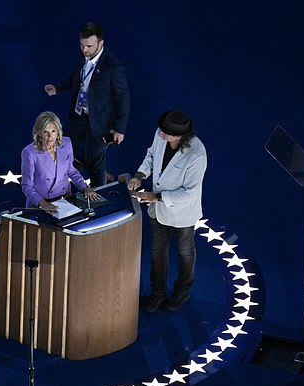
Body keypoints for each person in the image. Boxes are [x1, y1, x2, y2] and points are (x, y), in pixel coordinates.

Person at [127, 110, 207, 312]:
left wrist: (156, 197)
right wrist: (139, 175)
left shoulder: (197, 155)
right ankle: (157, 294)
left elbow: (189, 193)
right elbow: (151, 156)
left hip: (183, 214)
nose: (160, 134)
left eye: (165, 133)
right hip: (159, 212)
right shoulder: (161, 134)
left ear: (179, 136)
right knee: (157, 253)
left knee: (185, 252)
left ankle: (182, 292)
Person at [44, 22, 130, 187]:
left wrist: (120, 128)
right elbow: (76, 77)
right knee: (67, 150)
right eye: (82, 45)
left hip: (100, 123)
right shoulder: (84, 56)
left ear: (101, 43)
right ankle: (63, 189)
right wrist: (58, 88)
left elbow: (123, 98)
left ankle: (99, 197)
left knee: (95, 159)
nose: (84, 50)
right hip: (79, 117)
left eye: (89, 46)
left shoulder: (114, 67)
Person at [21, 111, 99, 211]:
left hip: (65, 200)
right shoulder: (29, 152)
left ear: (58, 132)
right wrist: (43, 204)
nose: (50, 137)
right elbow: (27, 186)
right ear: (39, 133)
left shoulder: (66, 143)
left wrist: (85, 188)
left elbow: (72, 171)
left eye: (53, 131)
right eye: (45, 132)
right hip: (41, 204)